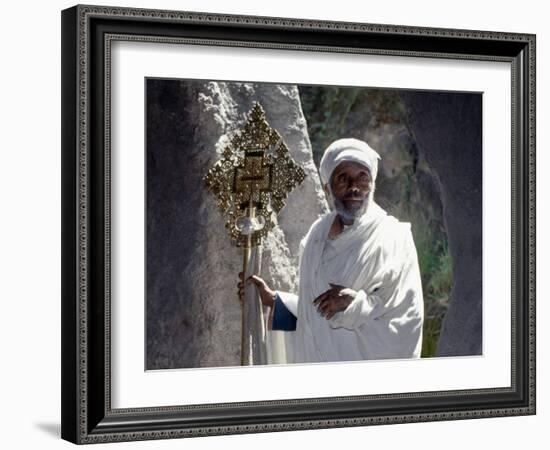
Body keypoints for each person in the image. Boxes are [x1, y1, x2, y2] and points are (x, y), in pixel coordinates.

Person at [239, 138, 424, 363]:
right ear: (328, 187)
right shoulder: (316, 237)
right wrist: (276, 302)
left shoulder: (394, 237)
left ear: (372, 183)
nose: (354, 187)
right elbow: (314, 315)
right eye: (343, 178)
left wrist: (355, 304)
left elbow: (406, 318)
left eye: (362, 176)